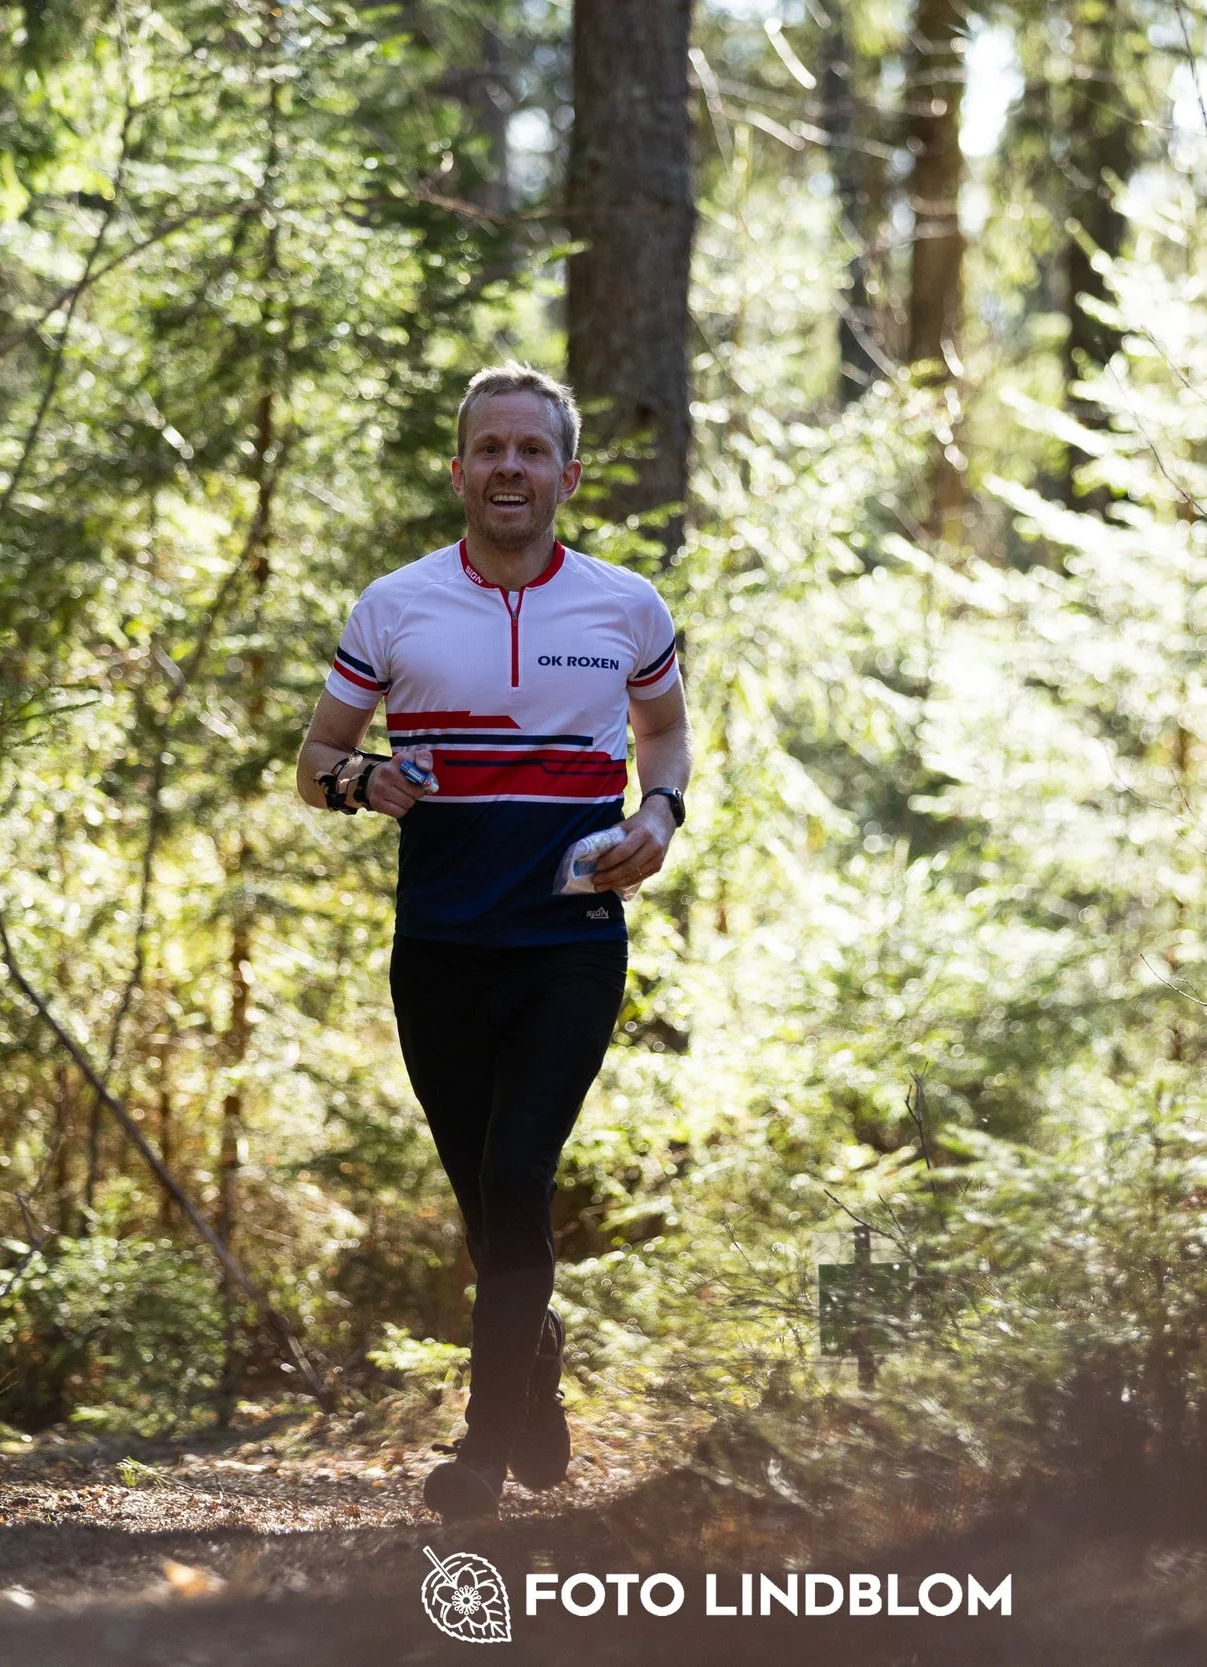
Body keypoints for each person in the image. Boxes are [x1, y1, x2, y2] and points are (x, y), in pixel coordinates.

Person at [296, 364, 691, 1521]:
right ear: (460, 468)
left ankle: (480, 1447)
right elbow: (315, 761)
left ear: (566, 474)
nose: (509, 466)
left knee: (520, 1170)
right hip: (440, 948)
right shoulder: (396, 606)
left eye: (532, 450)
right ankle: (537, 1347)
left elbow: (661, 733)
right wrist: (366, 780)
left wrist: (657, 814)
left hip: (570, 938)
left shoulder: (625, 606)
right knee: (484, 1193)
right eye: (490, 448)